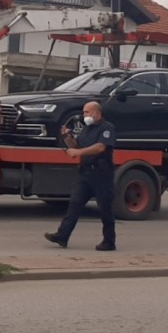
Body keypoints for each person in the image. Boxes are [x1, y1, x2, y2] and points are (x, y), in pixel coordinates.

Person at [44, 101, 117, 251]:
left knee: (105, 210)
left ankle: (109, 242)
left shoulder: (106, 128)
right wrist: (66, 137)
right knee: (74, 204)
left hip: (102, 175)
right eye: (84, 112)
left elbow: (100, 147)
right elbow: (76, 145)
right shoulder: (86, 129)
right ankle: (62, 236)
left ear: (97, 113)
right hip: (85, 174)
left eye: (87, 112)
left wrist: (78, 153)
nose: (84, 115)